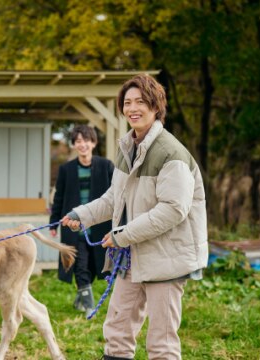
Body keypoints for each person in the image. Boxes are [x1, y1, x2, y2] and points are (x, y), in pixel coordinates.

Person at [61, 74, 208, 359]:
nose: (133, 108)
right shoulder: (128, 147)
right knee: (117, 330)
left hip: (166, 259)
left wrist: (121, 235)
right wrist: (82, 214)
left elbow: (173, 210)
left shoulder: (171, 153)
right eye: (127, 102)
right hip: (131, 256)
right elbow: (114, 199)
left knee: (161, 342)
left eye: (140, 101)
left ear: (156, 106)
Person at [49, 125, 115, 316]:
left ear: (93, 143)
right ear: (74, 145)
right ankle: (88, 304)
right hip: (73, 226)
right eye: (78, 141)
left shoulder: (106, 166)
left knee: (95, 265)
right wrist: (54, 222)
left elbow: (117, 196)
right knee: (80, 263)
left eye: (86, 140)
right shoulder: (66, 170)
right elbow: (59, 197)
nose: (82, 144)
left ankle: (81, 297)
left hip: (99, 225)